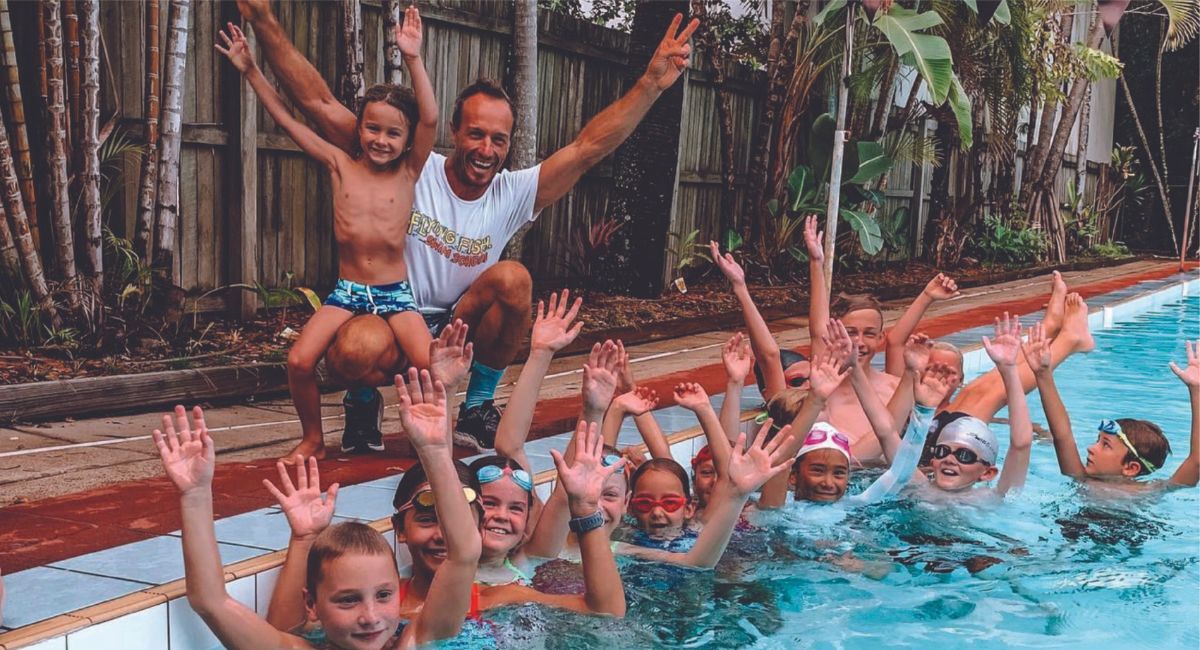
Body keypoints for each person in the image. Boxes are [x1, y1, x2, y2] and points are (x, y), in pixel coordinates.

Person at [235, 0, 699, 453]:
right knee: (355, 348)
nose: (486, 149)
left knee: (514, 278)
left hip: (458, 327)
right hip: (391, 318)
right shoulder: (410, 164)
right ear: (454, 131)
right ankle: (362, 401)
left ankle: (477, 406)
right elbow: (317, 102)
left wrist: (651, 84)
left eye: (499, 139)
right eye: (476, 133)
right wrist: (263, 18)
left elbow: (587, 148)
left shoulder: (513, 192)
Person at [216, 13, 438, 461]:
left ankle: (432, 438)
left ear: (408, 139)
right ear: (358, 127)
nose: (381, 140)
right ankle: (314, 439)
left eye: (393, 133)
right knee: (298, 361)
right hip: (347, 291)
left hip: (395, 294)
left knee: (431, 366)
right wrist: (252, 70)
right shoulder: (340, 164)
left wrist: (413, 58)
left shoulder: (410, 170)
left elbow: (430, 116)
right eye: (372, 128)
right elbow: (285, 118)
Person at [155, 390, 481, 649]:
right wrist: (195, 495)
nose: (370, 617)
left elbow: (464, 552)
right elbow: (210, 601)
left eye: (384, 595)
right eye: (348, 600)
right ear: (312, 605)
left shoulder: (418, 640)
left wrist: (436, 451)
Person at [1031, 327, 1199, 488]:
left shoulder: (1150, 491)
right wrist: (1043, 374)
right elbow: (1063, 435)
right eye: (1098, 440)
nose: (1090, 448)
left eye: (1105, 445)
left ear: (1131, 468)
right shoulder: (1082, 477)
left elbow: (1197, 461)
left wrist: (1196, 390)